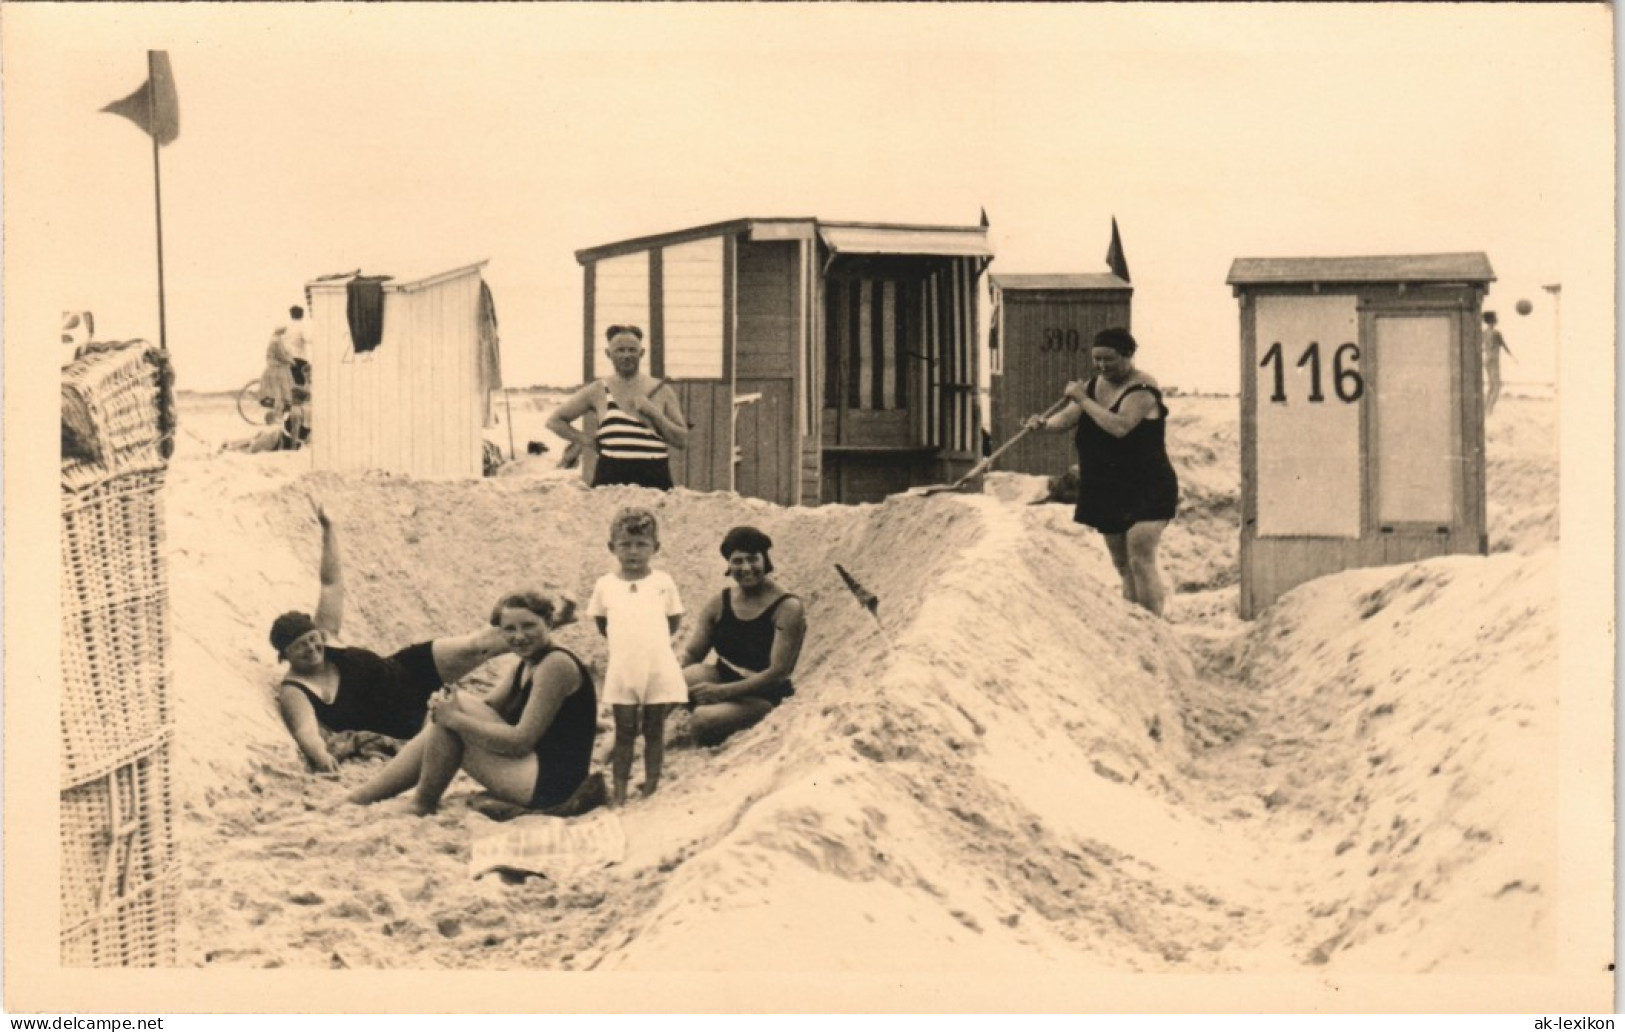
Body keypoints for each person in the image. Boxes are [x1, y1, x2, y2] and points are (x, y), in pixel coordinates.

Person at [272, 503, 510, 773]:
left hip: (409, 669)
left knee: (478, 645)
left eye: (313, 638)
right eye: (300, 646)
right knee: (478, 726)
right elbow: (306, 731)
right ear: (285, 655)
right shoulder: (295, 690)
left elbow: (331, 582)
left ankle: (547, 622)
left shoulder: (327, 635)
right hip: (405, 720)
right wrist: (319, 756)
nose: (312, 648)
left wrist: (329, 529)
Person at [346, 591, 605, 817]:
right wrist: (447, 707)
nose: (519, 636)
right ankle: (364, 797)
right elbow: (490, 706)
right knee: (452, 709)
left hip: (553, 785)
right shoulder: (529, 662)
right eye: (509, 629)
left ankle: (420, 803)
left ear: (548, 622)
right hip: (538, 769)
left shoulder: (556, 664)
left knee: (452, 718)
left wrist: (454, 719)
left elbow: (519, 741)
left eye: (529, 626)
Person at [1024, 327, 1179, 617]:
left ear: (1129, 356)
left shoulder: (1143, 390)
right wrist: (1043, 424)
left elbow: (1119, 427)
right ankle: (1135, 622)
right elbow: (1067, 419)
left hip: (1147, 484)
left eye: (1110, 359)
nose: (1102, 366)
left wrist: (1082, 399)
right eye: (1097, 360)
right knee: (1121, 563)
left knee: (1140, 559)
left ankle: (1155, 626)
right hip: (1107, 485)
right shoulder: (1095, 386)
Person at [586, 507, 688, 805]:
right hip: (623, 669)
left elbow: (673, 621)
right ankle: (619, 791)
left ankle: (652, 787)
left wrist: (650, 644)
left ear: (655, 547)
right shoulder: (605, 584)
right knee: (624, 731)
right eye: (625, 544)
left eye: (641, 544)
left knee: (655, 730)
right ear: (612, 547)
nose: (633, 552)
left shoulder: (663, 582)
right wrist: (626, 645)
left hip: (657, 666)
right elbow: (603, 624)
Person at [680, 526, 807, 747]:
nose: (746, 568)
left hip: (763, 695)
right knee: (676, 681)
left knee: (703, 720)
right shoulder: (720, 602)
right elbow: (693, 653)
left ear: (765, 560)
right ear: (728, 565)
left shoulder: (787, 607)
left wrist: (721, 693)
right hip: (724, 676)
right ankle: (629, 738)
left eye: (752, 559)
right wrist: (675, 691)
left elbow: (777, 674)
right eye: (737, 561)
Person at [545, 325, 689, 490]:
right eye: (620, 350)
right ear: (608, 354)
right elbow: (554, 421)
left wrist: (654, 413)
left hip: (655, 478)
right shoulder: (598, 390)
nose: (626, 355)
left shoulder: (662, 390)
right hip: (610, 479)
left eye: (632, 350)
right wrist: (588, 441)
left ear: (641, 353)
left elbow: (682, 440)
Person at [1482, 310, 1513, 415]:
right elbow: (1504, 346)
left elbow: (1481, 346)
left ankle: (1486, 408)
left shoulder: (1483, 333)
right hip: (1494, 360)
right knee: (1497, 386)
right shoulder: (1497, 333)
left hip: (1486, 360)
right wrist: (1512, 356)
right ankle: (1489, 410)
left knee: (1491, 386)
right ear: (1493, 320)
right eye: (1496, 317)